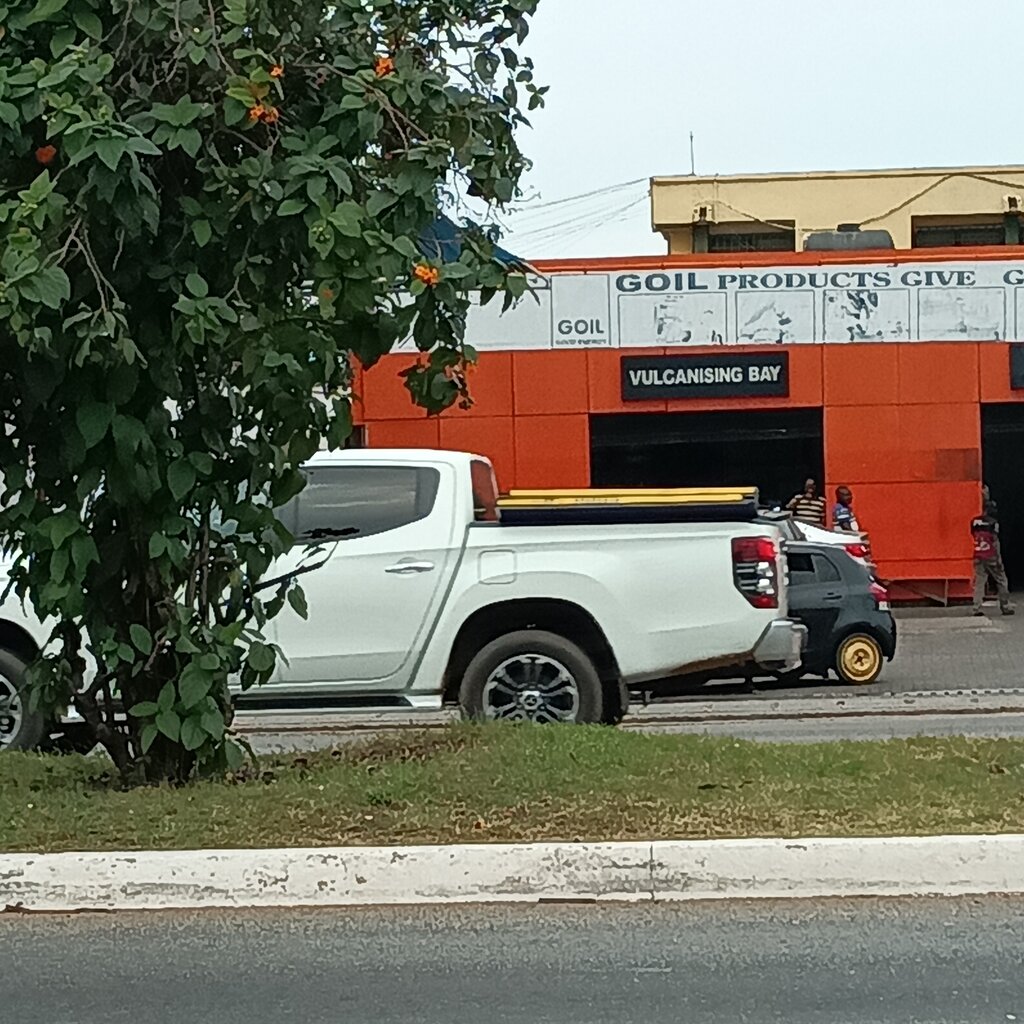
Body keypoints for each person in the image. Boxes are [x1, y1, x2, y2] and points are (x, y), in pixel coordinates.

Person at [971, 498, 1014, 616]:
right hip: (991, 556)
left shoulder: (974, 522)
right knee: (1001, 580)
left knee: (979, 582)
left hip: (978, 554)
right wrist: (998, 559)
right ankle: (1005, 606)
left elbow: (973, 536)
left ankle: (976, 607)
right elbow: (995, 542)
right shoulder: (993, 523)